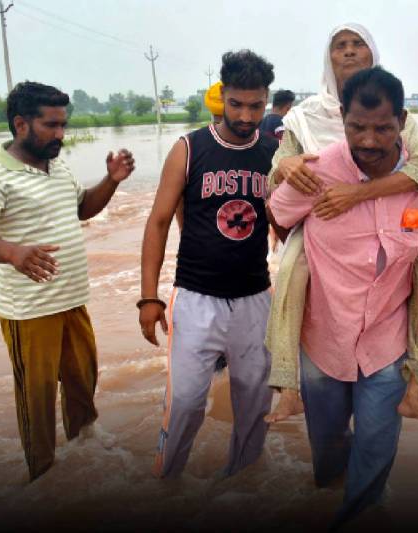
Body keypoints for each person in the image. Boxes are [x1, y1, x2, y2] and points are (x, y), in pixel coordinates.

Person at [268, 66, 418, 526]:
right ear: (342, 118)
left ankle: (355, 515)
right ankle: (329, 490)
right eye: (357, 127)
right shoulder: (318, 171)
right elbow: (279, 216)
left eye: (382, 128)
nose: (368, 141)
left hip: (387, 339)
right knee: (327, 446)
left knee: (376, 446)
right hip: (323, 339)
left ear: (401, 121)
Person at [0, 81, 135, 481]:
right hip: (29, 311)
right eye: (51, 125)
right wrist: (13, 252)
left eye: (63, 125)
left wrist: (111, 180)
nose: (60, 134)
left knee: (82, 381)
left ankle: (85, 452)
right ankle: (41, 476)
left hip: (71, 300)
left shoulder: (56, 166)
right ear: (21, 124)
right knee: (36, 399)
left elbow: (81, 208)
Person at [140, 50, 278, 479]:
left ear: (266, 101)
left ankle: (243, 482)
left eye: (256, 105)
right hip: (197, 297)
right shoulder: (189, 148)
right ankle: (166, 482)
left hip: (255, 298)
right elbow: (158, 222)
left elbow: (288, 227)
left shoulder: (273, 153)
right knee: (184, 401)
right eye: (236, 104)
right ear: (223, 97)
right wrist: (148, 298)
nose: (246, 115)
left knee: (255, 401)